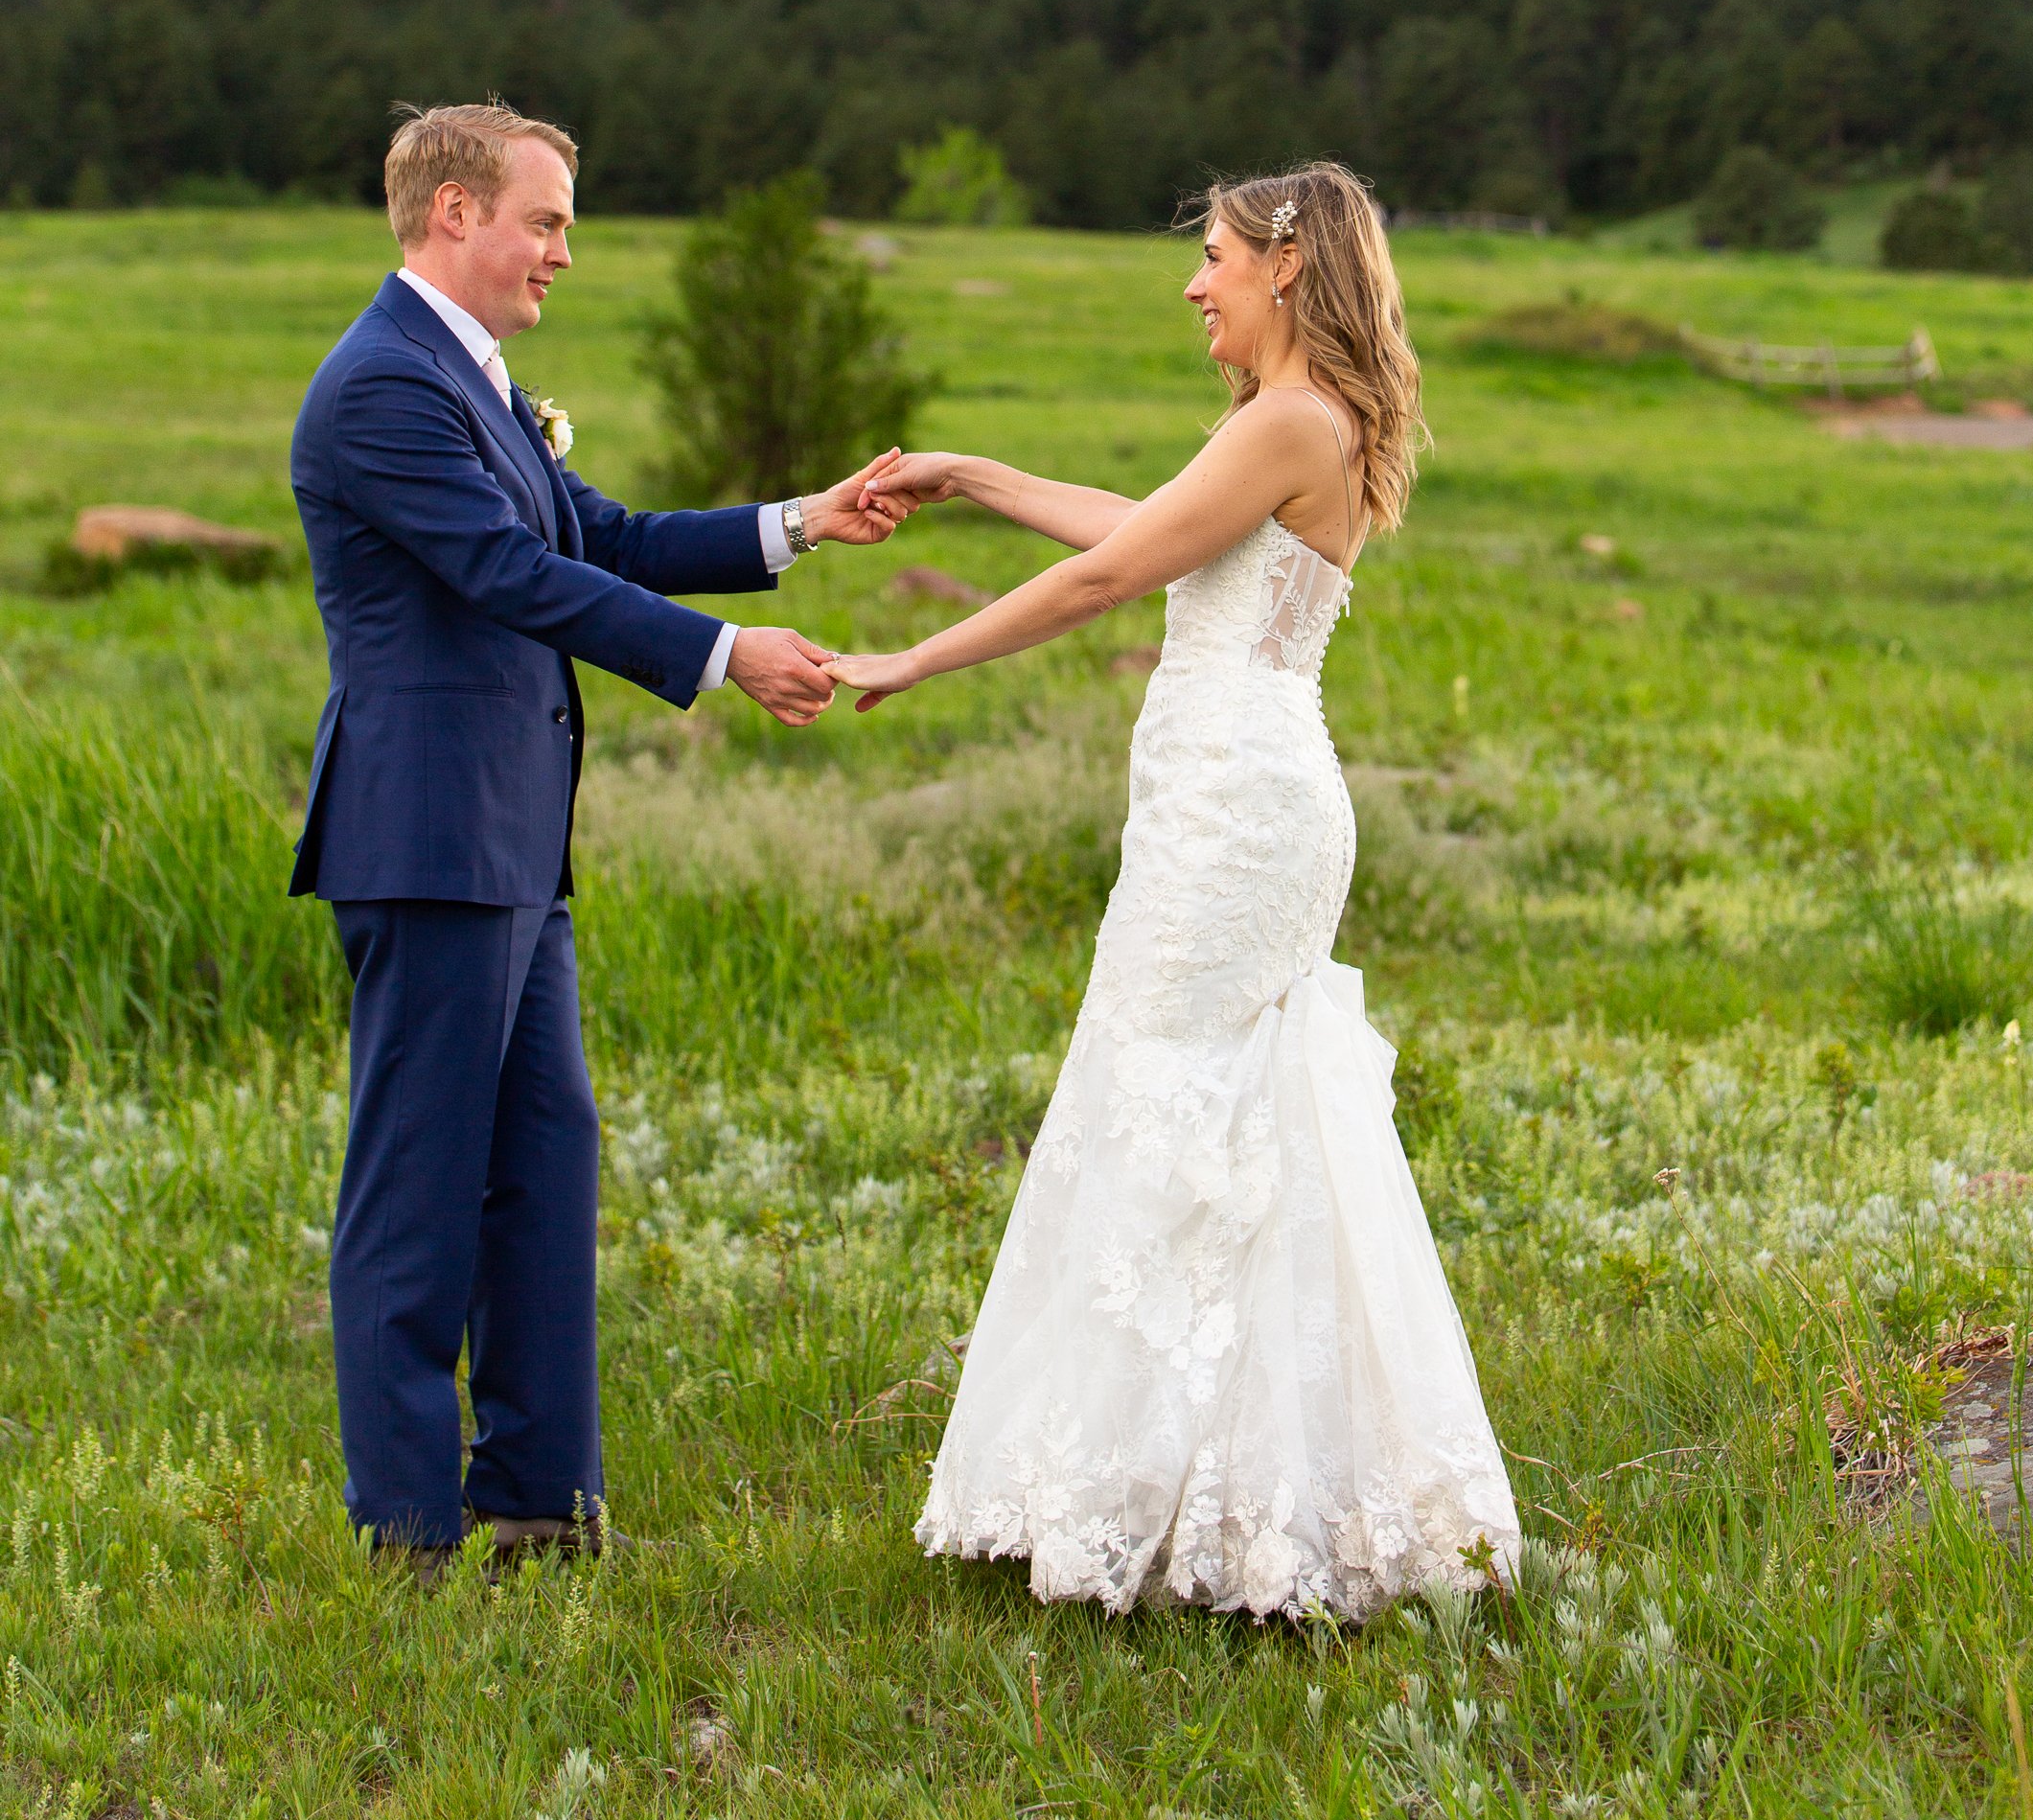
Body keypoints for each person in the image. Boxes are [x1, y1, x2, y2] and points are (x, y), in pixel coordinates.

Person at [829, 161, 1519, 1620]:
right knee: (1217, 1108)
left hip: (1235, 816)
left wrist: (908, 660)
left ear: (1284, 264)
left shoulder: (1287, 420)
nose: (1194, 285)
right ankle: (1223, 1486)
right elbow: (1143, 525)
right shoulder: (1286, 423)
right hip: (1234, 798)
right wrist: (978, 477)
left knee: (1167, 1101)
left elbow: (1112, 576)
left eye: (1211, 257)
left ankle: (1174, 1501)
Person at [289, 101, 904, 1576]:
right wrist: (723, 661)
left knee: (545, 1160)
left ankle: (538, 1506)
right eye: (546, 219)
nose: (565, 250)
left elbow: (600, 536)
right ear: (453, 214)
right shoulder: (381, 388)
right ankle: (408, 1531)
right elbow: (508, 572)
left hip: (512, 841)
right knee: (417, 1187)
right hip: (431, 840)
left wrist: (799, 522)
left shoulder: (478, 385)